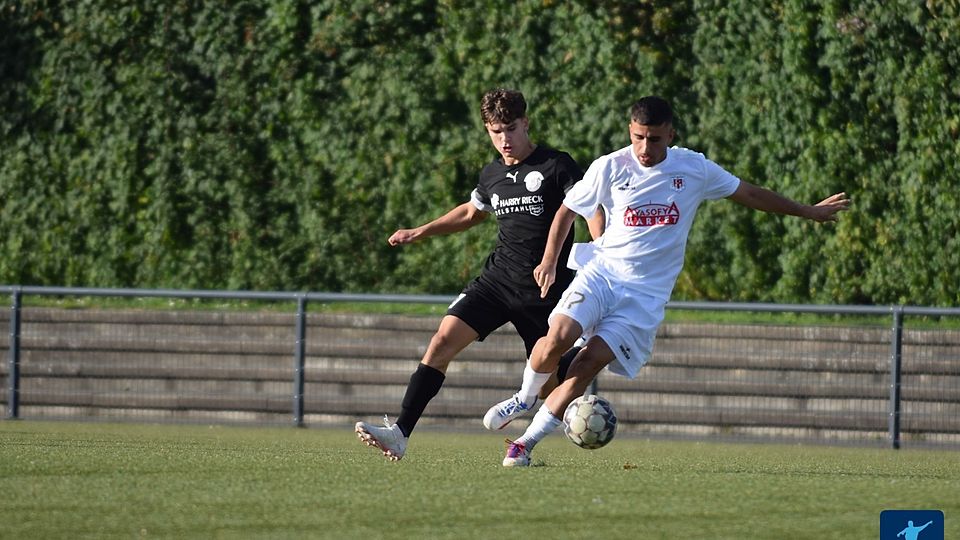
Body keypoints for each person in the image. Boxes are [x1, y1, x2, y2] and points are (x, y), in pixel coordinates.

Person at [483, 95, 851, 466]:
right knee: (556, 341)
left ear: (670, 134)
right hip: (602, 276)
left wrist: (807, 211)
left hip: (642, 299)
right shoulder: (610, 166)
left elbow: (751, 193)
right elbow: (567, 211)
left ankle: (524, 444)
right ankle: (524, 397)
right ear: (630, 131)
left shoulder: (694, 168)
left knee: (584, 366)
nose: (644, 147)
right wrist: (549, 260)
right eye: (638, 137)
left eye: (654, 139)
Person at [355, 88, 604, 461]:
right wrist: (420, 231)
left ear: (525, 124)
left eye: (510, 129)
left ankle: (546, 414)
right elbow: (472, 213)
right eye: (494, 131)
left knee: (550, 380)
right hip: (498, 282)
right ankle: (400, 433)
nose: (503, 140)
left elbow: (590, 209)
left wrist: (601, 250)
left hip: (546, 290)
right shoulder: (492, 175)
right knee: (441, 341)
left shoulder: (558, 164)